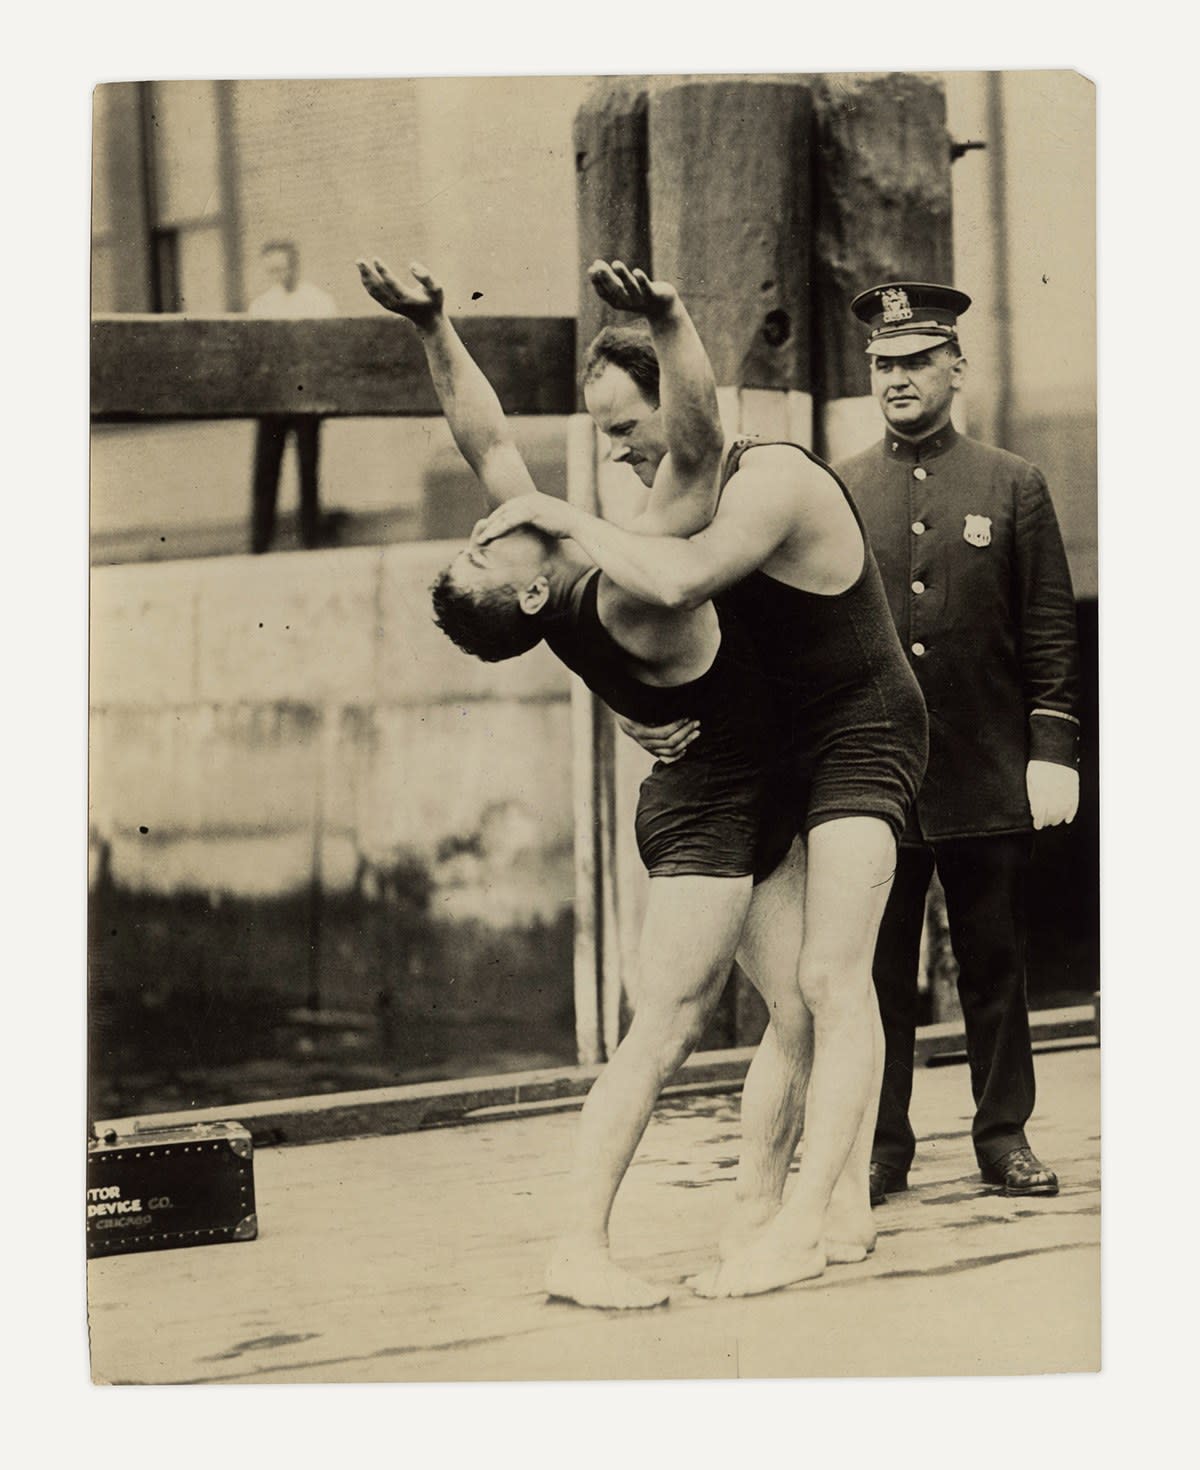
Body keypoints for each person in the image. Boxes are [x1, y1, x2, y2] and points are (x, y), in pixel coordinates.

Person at [357, 254, 874, 1308]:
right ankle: (578, 1248)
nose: (487, 527)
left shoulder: (553, 561)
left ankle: (776, 1217)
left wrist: (433, 327)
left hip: (755, 797)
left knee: (803, 1015)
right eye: (484, 552)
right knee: (668, 1029)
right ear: (532, 585)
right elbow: (697, 441)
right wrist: (675, 322)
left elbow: (487, 437)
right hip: (711, 813)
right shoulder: (626, 588)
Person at [479, 304, 929, 1298]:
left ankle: (808, 1221)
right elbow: (630, 614)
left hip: (863, 728)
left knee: (831, 981)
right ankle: (765, 1209)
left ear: (677, 413)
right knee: (795, 1006)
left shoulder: (763, 482)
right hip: (773, 753)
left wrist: (564, 513)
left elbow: (675, 583)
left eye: (628, 426)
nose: (617, 448)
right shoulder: (659, 512)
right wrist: (636, 711)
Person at [834, 281, 1081, 1202]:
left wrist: (1051, 749)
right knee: (874, 973)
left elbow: (1050, 629)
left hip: (984, 768)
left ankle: (1002, 1136)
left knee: (995, 965)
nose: (895, 379)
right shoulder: (843, 488)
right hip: (875, 778)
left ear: (954, 366)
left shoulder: (1012, 483)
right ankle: (879, 1145)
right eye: (881, 366)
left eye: (913, 362)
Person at [248, 241, 337, 554]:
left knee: (308, 467)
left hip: (305, 398)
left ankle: (311, 539)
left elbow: (326, 352)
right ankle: (259, 543)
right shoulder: (261, 307)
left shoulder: (318, 302)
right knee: (266, 469)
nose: (278, 275)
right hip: (273, 400)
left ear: (294, 266)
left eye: (282, 267)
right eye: (271, 269)